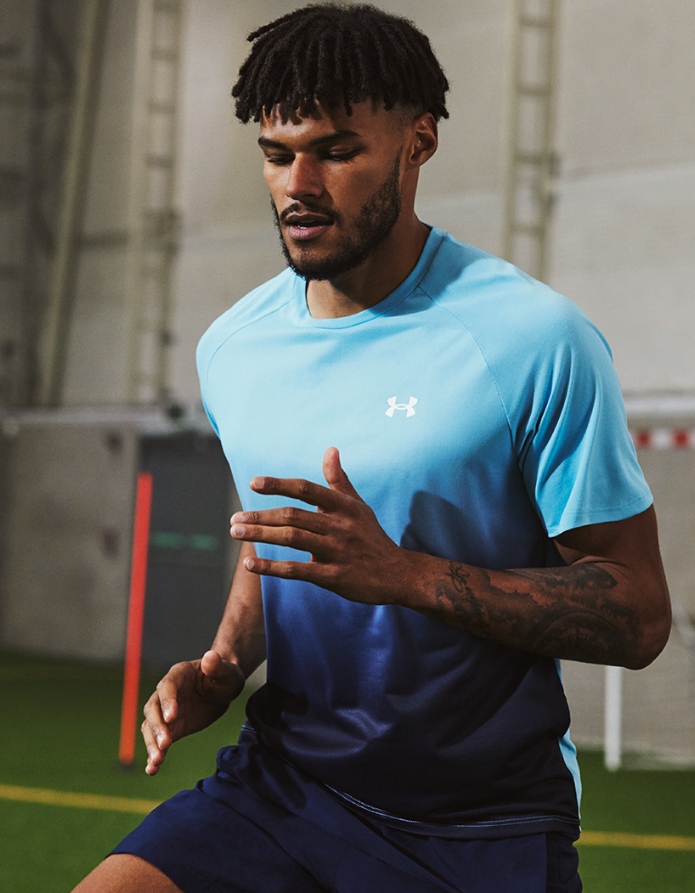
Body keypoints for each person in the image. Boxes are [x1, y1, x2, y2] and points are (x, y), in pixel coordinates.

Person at [74, 4, 671, 892]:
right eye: (277, 154)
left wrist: (406, 575)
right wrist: (226, 663)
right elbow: (282, 541)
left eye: (336, 150)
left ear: (417, 142)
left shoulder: (534, 340)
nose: (298, 185)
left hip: (481, 822)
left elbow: (638, 613)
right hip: (283, 786)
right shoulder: (233, 347)